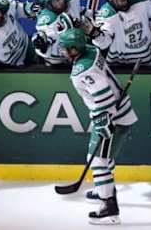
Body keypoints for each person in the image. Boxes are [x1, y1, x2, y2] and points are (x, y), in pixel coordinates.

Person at [58, 27, 138, 225]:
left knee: (98, 161)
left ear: (75, 49)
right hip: (118, 113)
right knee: (103, 157)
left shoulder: (82, 70)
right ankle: (104, 187)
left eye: (66, 48)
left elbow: (103, 94)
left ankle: (108, 207)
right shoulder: (92, 51)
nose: (63, 51)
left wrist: (103, 121)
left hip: (112, 117)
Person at [91, 0, 151, 66]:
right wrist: (95, 34)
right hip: (119, 66)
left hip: (149, 60)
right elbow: (104, 43)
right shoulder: (106, 15)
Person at [31, 0, 87, 66]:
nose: (61, 1)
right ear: (48, 4)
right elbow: (46, 36)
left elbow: (80, 11)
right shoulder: (47, 19)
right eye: (56, 0)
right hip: (55, 60)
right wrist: (41, 40)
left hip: (76, 54)